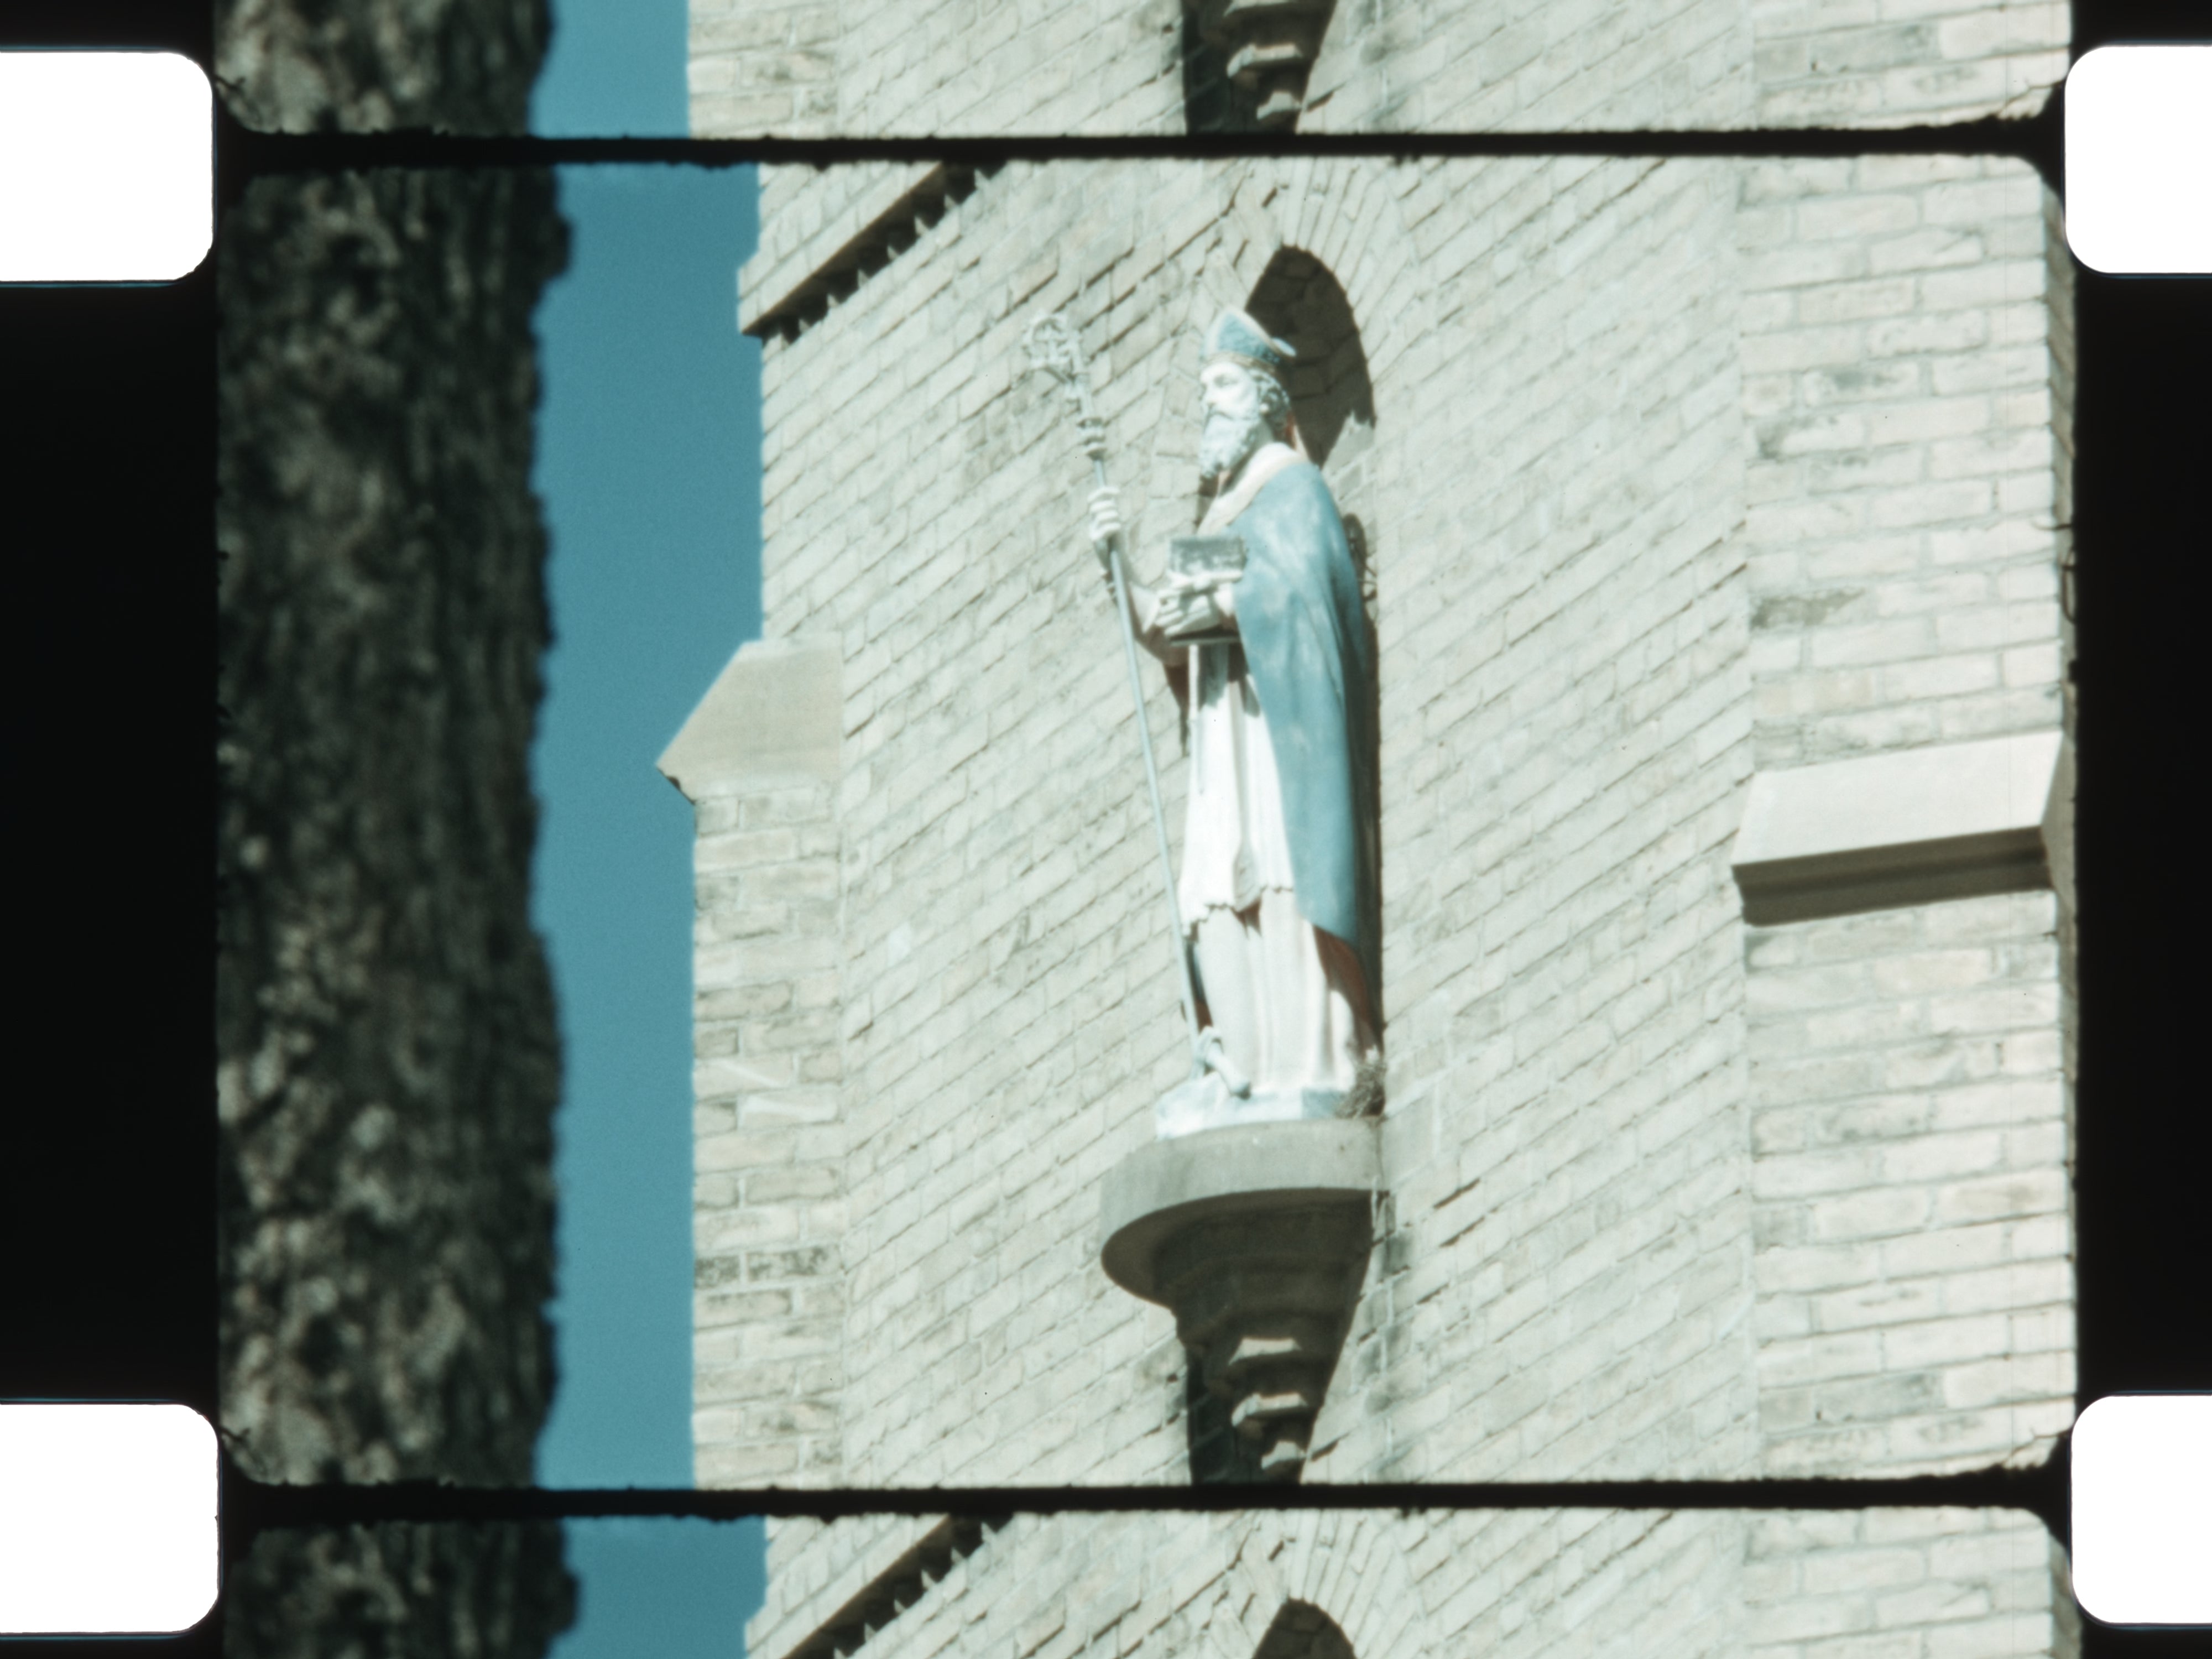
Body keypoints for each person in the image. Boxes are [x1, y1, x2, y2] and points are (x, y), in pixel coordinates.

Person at [1088, 309, 1379, 1132]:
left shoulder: (1295, 490)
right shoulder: (1219, 515)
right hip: (1223, 742)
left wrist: (1227, 603)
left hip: (1278, 739)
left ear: (1264, 398)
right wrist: (1118, 564)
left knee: (1280, 871)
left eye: (1222, 386)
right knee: (1214, 889)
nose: (1208, 403)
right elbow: (1165, 632)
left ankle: (1313, 1061)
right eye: (1203, 390)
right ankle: (1244, 1071)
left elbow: (1312, 602)